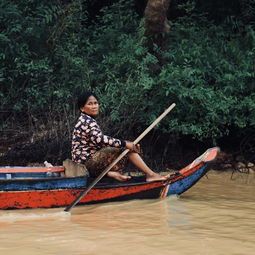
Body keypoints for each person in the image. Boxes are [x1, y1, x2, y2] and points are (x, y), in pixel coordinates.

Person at [71, 91, 169, 182]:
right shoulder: (86, 121)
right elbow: (99, 140)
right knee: (127, 150)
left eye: (95, 103)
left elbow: (98, 144)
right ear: (82, 108)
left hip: (86, 165)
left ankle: (110, 174)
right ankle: (151, 175)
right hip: (85, 166)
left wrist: (123, 146)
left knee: (121, 150)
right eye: (90, 104)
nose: (94, 106)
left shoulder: (85, 120)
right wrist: (125, 144)